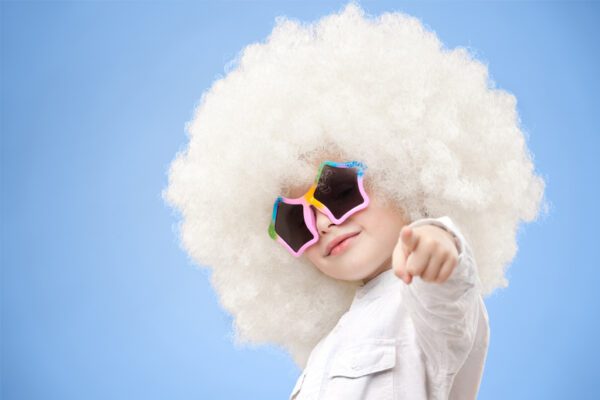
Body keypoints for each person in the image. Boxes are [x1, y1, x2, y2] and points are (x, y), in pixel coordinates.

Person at [162, 2, 547, 399]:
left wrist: (439, 243)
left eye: (336, 190)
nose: (324, 224)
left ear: (404, 172)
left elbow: (449, 303)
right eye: (296, 222)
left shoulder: (422, 308)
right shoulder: (327, 349)